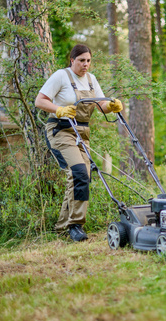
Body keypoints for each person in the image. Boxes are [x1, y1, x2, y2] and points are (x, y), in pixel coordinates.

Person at [35, 44, 123, 242]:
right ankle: (76, 225)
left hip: (82, 134)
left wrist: (112, 106)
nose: (86, 64)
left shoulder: (92, 80)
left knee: (82, 177)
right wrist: (59, 109)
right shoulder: (61, 76)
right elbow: (39, 101)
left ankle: (62, 227)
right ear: (72, 60)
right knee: (79, 173)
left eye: (89, 60)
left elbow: (101, 105)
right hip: (61, 130)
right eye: (82, 60)